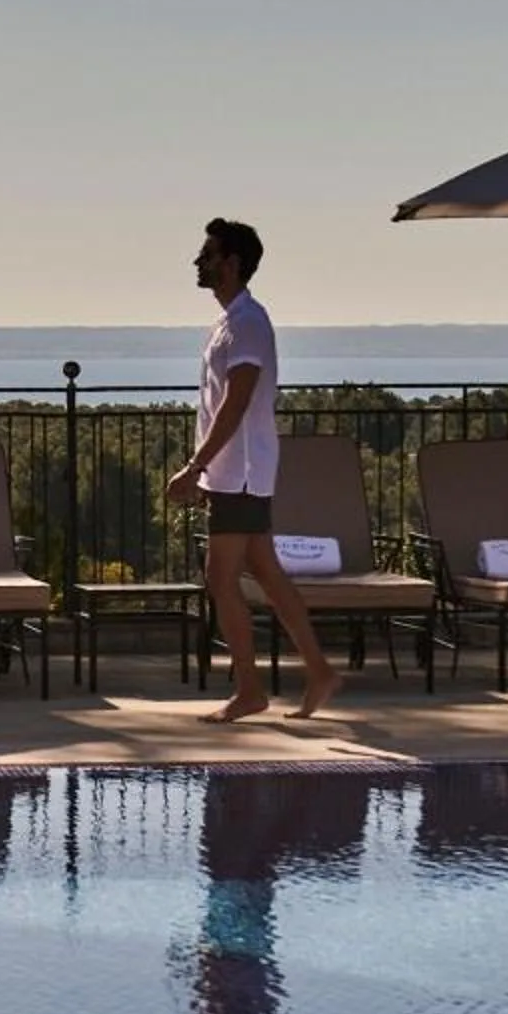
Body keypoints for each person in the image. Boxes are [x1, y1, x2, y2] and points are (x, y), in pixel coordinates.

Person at [163, 218, 340, 721]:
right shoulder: (229, 322)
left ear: (232, 262)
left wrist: (195, 467)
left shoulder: (248, 324)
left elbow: (236, 403)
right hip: (236, 474)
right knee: (267, 573)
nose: (198, 262)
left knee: (221, 579)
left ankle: (250, 690)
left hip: (238, 473)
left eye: (208, 254)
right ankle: (318, 672)